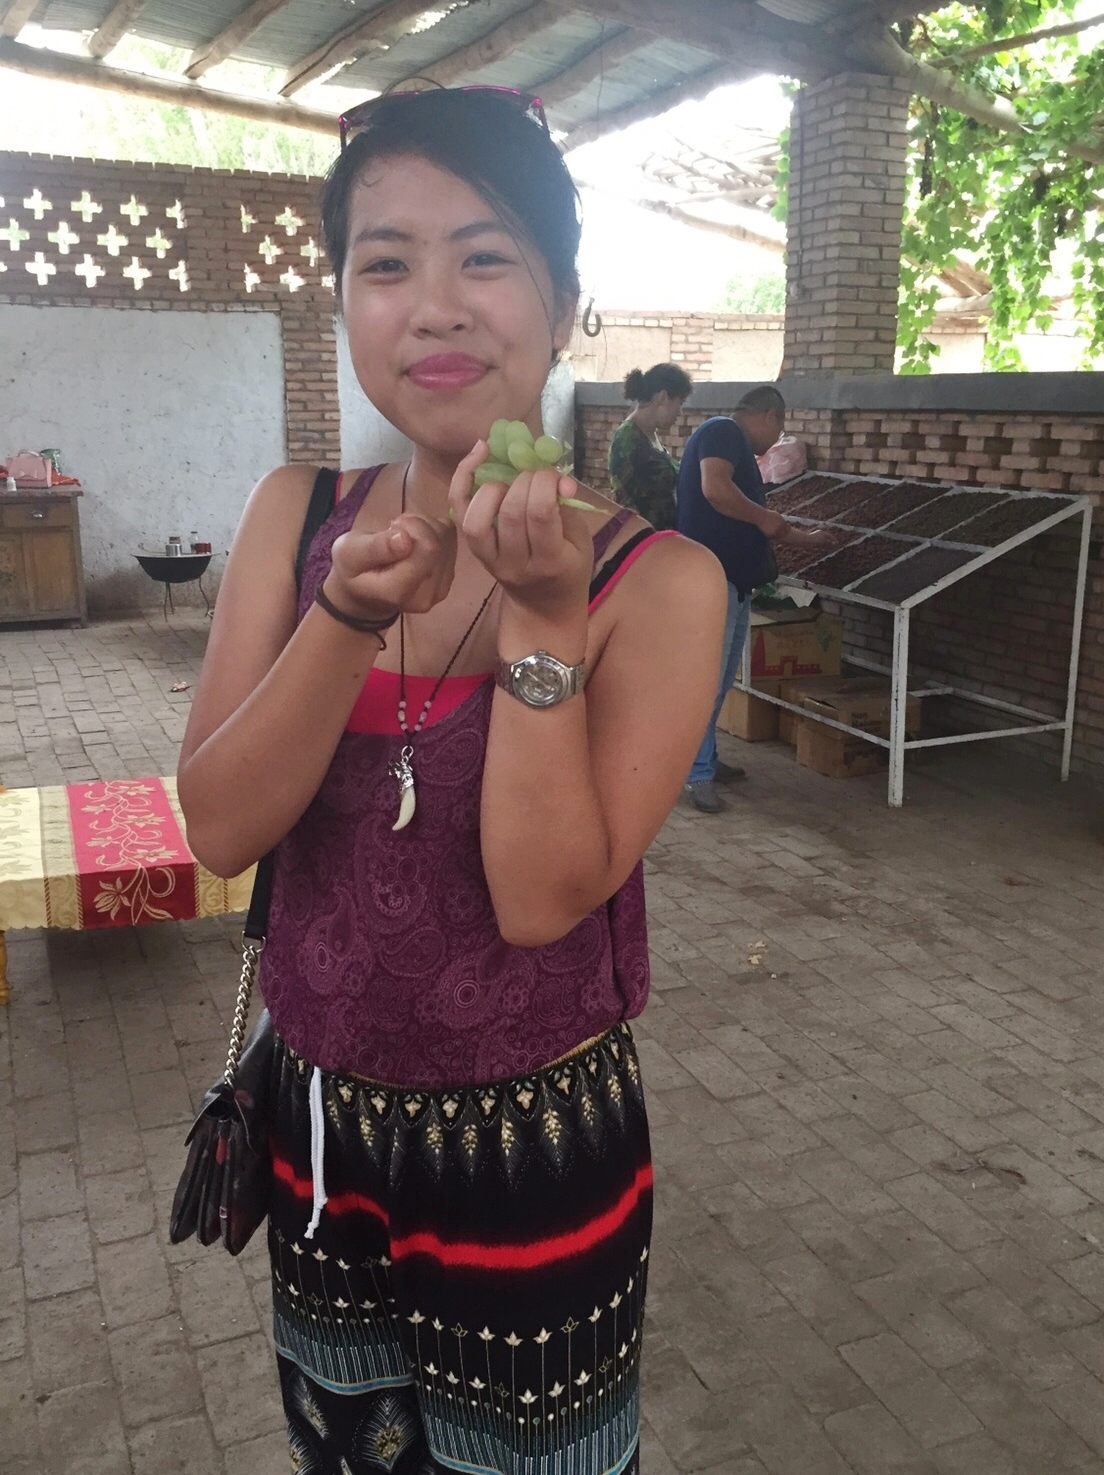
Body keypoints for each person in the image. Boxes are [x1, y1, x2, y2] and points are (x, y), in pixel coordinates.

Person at [177, 85, 725, 1475]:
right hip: (318, 1134)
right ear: (345, 303)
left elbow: (544, 899)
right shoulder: (291, 518)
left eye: (484, 256)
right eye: (385, 262)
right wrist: (344, 619)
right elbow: (224, 825)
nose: (435, 305)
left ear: (564, 295)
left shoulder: (656, 582)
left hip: (535, 1160)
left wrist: (543, 621)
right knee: (340, 1446)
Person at [676, 385, 832, 814]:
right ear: (771, 416)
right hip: (713, 579)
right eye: (779, 430)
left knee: (722, 678)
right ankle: (696, 773)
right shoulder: (723, 431)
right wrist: (768, 520)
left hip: (735, 582)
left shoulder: (730, 440)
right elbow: (715, 489)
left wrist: (805, 539)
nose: (774, 443)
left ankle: (704, 759)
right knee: (706, 681)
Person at [607, 362, 692, 529]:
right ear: (662, 397)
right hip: (643, 539)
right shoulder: (628, 440)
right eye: (679, 403)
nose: (680, 412)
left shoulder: (649, 435)